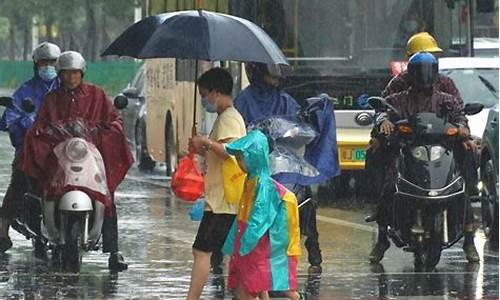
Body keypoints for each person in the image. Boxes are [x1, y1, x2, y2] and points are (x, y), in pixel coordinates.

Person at [18, 51, 134, 271]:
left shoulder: (97, 95)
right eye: (66, 73)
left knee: (106, 195)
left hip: (90, 159)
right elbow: (40, 125)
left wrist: (102, 131)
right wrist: (44, 132)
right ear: (60, 75)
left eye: (75, 73)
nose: (71, 78)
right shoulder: (51, 99)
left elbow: (113, 120)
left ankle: (114, 250)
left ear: (82, 73)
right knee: (33, 184)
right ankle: (39, 230)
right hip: (59, 161)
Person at [367, 52, 480, 264]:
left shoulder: (447, 99)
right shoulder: (398, 98)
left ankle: (469, 239)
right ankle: (382, 238)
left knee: (461, 187)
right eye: (419, 71)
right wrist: (384, 122)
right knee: (390, 185)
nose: (424, 76)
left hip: (442, 154)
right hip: (409, 153)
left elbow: (460, 117)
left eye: (428, 71)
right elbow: (383, 111)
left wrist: (463, 130)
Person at [232, 62, 324, 275]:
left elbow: (299, 127)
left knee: (306, 199)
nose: (275, 78)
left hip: (285, 161)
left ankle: (313, 247)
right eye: (271, 73)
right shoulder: (244, 101)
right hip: (256, 165)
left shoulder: (285, 100)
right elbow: (238, 131)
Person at [186, 67, 246, 300]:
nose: (203, 100)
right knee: (230, 253)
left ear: (216, 93)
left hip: (223, 200)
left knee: (201, 251)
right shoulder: (225, 117)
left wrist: (206, 143)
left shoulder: (229, 118)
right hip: (221, 198)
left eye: (204, 95)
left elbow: (231, 151)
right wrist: (200, 143)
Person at [222, 130, 301, 300]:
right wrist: (234, 242)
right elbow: (244, 213)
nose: (239, 162)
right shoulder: (251, 180)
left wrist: (245, 241)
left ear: (254, 157)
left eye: (241, 158)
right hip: (253, 241)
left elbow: (259, 218)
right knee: (256, 281)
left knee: (254, 282)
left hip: (263, 241)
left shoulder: (263, 186)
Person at [0, 42, 61, 253]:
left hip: (65, 148)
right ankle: (3, 226)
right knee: (20, 174)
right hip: (33, 148)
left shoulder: (70, 87)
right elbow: (10, 117)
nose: (48, 66)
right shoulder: (25, 90)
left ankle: (108, 233)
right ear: (36, 64)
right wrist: (24, 120)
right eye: (44, 62)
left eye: (53, 62)